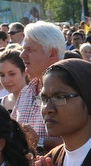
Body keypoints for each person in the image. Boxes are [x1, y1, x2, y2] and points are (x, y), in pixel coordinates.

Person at [13, 21, 65, 154]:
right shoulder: (26, 91)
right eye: (23, 49)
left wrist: (39, 141)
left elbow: (82, 143)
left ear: (52, 54)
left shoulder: (69, 93)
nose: (22, 55)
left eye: (29, 50)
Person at [0, 49, 28, 114]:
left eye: (12, 74)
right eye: (2, 75)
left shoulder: (37, 102)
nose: (6, 80)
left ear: (24, 71)